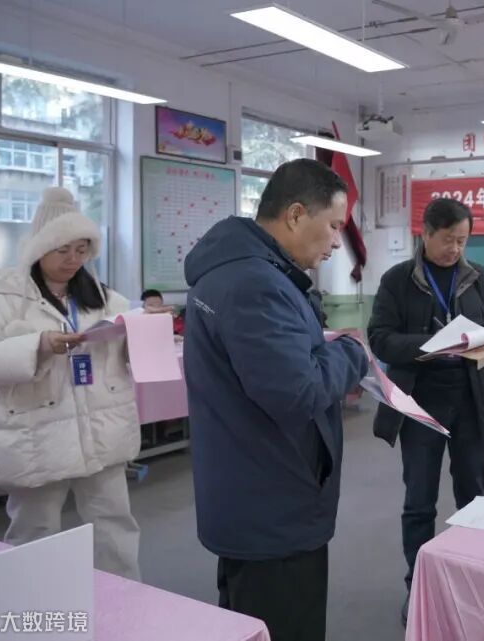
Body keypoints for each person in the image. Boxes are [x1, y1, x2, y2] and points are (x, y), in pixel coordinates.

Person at [183, 159, 368, 641]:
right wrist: (353, 352)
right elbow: (298, 391)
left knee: (247, 623)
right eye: (333, 226)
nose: (336, 242)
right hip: (272, 503)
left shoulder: (241, 273)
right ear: (295, 215)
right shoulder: (255, 285)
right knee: (281, 623)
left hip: (250, 489)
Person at [0, 187, 142, 579]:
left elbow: (129, 355)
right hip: (36, 434)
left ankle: (125, 600)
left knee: (114, 525)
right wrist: (38, 345)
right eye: (62, 250)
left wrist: (144, 334)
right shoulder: (6, 296)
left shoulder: (106, 298)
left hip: (100, 431)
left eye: (81, 250)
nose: (73, 259)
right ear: (38, 248)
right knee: (34, 530)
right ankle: (32, 604)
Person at [368, 198, 484, 625]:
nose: (455, 249)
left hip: (470, 399)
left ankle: (470, 583)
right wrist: (430, 344)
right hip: (421, 403)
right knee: (419, 501)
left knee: (473, 495)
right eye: (448, 240)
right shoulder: (397, 279)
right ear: (426, 234)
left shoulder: (477, 276)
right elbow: (380, 338)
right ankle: (418, 588)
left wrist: (483, 339)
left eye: (462, 240)